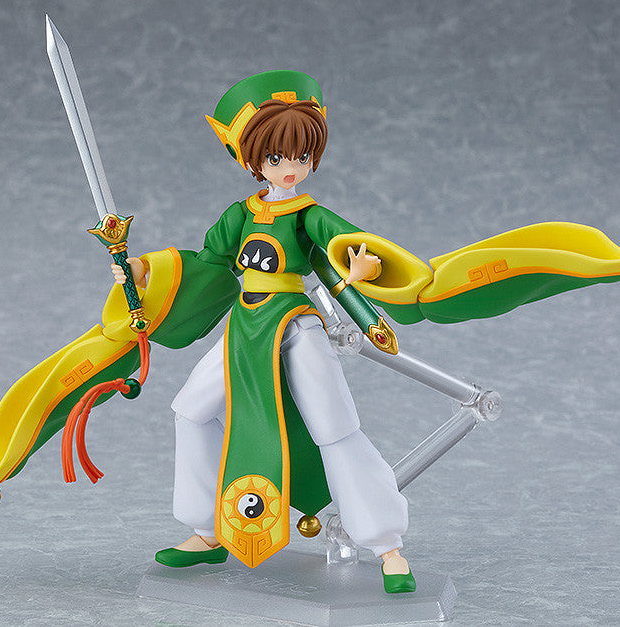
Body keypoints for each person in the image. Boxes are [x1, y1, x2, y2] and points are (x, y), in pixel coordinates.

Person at [113, 71, 415, 593]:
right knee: (191, 409)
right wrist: (142, 268)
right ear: (253, 159)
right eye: (276, 157)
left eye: (301, 156)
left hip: (295, 324)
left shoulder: (307, 215)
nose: (290, 168)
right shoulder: (240, 215)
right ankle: (208, 529)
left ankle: (388, 546)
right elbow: (207, 264)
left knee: (335, 426)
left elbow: (349, 244)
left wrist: (360, 267)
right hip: (244, 325)